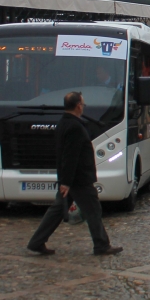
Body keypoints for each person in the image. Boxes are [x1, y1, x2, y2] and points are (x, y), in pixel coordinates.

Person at [27, 92, 123, 256]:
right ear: (78, 106)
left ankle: (36, 242)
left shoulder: (63, 123)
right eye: (83, 104)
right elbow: (71, 156)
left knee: (57, 211)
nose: (83, 107)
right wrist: (66, 182)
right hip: (79, 179)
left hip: (70, 178)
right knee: (93, 211)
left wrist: (64, 180)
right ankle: (101, 245)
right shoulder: (75, 127)